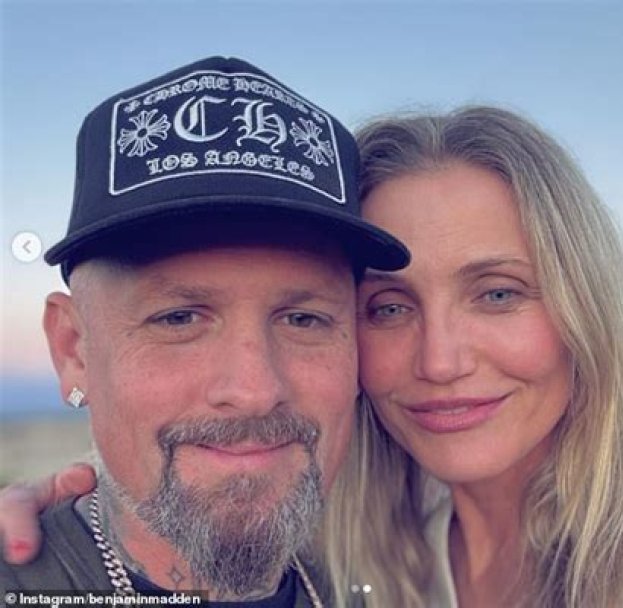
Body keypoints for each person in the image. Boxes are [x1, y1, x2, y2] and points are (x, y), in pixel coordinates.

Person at [3, 107, 623, 607]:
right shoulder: (366, 524)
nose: (440, 361)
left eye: (498, 294)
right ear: (73, 348)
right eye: (389, 307)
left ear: (589, 312)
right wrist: (86, 508)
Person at [0, 55, 410, 607]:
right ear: (73, 350)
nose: (254, 391)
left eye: (303, 319)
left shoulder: (385, 584)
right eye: (179, 318)